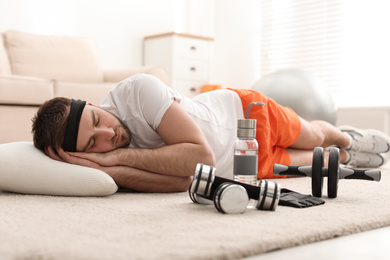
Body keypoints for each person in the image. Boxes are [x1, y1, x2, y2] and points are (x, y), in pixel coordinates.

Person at [31, 73, 390, 193]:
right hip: (239, 165)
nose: (108, 135)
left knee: (313, 134)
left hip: (245, 114)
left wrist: (114, 159)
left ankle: (347, 138)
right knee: (319, 162)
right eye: (94, 145)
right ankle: (345, 155)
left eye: (97, 121)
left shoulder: (137, 92)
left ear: (94, 104)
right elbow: (185, 179)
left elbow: (198, 156)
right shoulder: (105, 160)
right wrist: (108, 171)